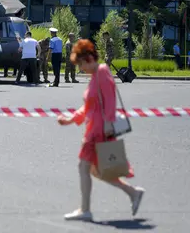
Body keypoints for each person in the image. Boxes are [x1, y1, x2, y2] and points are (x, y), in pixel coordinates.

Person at [57, 39, 145, 221]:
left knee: (84, 167)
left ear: (88, 58)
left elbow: (110, 101)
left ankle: (85, 210)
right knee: (97, 171)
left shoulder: (103, 73)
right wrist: (70, 119)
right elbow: (89, 107)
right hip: (95, 128)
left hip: (98, 131)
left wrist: (107, 123)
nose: (80, 69)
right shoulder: (96, 76)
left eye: (80, 64)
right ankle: (133, 192)